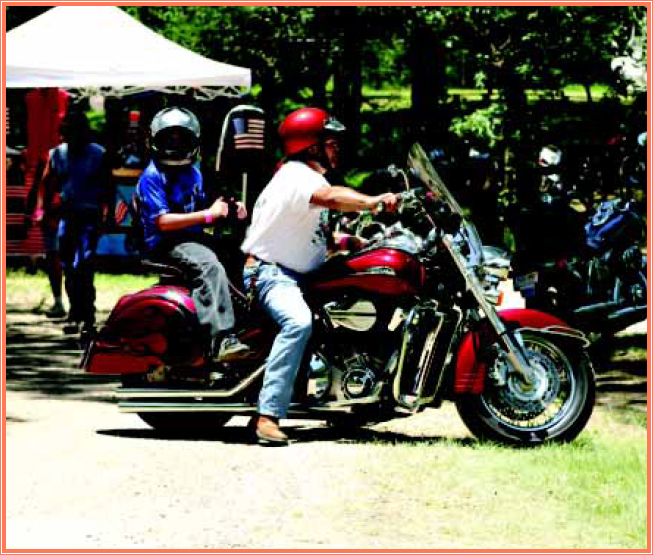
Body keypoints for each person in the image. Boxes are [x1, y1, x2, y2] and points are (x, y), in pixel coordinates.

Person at [241, 107, 398, 445]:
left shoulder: (306, 178)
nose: (337, 148)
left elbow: (311, 232)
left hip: (299, 273)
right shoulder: (297, 176)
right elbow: (331, 197)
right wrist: (374, 202)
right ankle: (267, 417)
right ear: (311, 147)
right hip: (271, 272)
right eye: (331, 142)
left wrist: (352, 242)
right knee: (298, 322)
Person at [136, 107, 249, 362]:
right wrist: (209, 215)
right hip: (166, 243)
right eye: (169, 139)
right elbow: (163, 222)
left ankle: (248, 323)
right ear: (155, 141)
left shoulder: (193, 171)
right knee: (209, 266)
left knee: (240, 253)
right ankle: (221, 338)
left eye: (181, 139)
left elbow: (206, 204)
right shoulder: (151, 177)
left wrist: (231, 207)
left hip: (191, 238)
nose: (174, 145)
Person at [35, 112, 113, 334]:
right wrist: (43, 210)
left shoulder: (98, 154)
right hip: (67, 216)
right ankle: (74, 313)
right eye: (66, 131)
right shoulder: (57, 154)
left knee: (84, 263)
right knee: (69, 265)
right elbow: (47, 183)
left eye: (74, 130)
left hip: (90, 216)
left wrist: (108, 216)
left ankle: (86, 313)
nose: (70, 135)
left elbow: (109, 186)